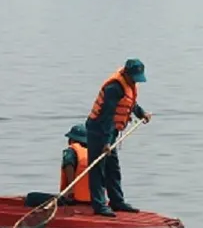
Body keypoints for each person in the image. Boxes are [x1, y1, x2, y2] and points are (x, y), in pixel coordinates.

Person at [84, 59, 152, 216]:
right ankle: (100, 205)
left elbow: (130, 103)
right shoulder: (113, 88)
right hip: (98, 129)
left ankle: (117, 201)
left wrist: (141, 113)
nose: (136, 81)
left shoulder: (128, 84)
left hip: (111, 131)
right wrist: (106, 142)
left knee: (113, 167)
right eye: (134, 77)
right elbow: (107, 117)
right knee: (98, 168)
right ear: (127, 74)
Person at [60, 123, 91, 204]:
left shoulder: (71, 151)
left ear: (71, 140)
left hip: (74, 199)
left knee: (32, 197)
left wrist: (71, 188)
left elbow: (69, 164)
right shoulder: (95, 154)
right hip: (94, 200)